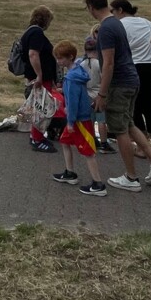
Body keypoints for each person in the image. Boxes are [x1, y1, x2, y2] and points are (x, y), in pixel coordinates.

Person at [84, 0, 151, 191]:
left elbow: (108, 63)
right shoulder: (116, 22)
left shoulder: (106, 28)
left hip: (120, 83)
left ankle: (131, 178)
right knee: (130, 123)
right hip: (133, 78)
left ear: (91, 7)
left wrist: (102, 94)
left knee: (119, 128)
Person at [109, 0, 151, 162]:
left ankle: (141, 146)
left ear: (120, 10)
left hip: (131, 67)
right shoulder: (147, 22)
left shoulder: (120, 25)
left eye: (112, 11)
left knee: (135, 108)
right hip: (149, 67)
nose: (112, 14)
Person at [51, 40, 107, 195]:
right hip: (78, 117)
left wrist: (70, 121)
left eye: (61, 58)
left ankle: (98, 183)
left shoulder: (71, 78)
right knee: (64, 142)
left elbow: (73, 101)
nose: (58, 61)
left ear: (70, 57)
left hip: (79, 120)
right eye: (57, 58)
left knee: (88, 151)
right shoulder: (78, 72)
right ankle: (69, 172)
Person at [18, 5, 60, 153]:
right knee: (41, 107)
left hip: (37, 76)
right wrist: (39, 75)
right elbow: (33, 54)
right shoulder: (36, 33)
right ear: (45, 19)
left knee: (39, 106)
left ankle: (36, 135)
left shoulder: (30, 31)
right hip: (40, 77)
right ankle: (37, 139)